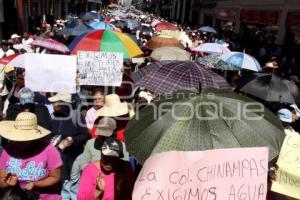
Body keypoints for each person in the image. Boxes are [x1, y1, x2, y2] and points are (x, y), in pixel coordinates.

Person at [0, 112, 62, 200]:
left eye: (24, 139)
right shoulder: (8, 150)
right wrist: (7, 182)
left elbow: (55, 177)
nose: (20, 142)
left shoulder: (49, 150)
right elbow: (1, 181)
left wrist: (35, 183)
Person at [48, 91, 90, 199]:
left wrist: (73, 140)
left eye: (56, 103)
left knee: (74, 181)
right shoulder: (53, 116)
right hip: (58, 156)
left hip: (74, 156)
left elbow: (85, 135)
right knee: (64, 181)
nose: (53, 105)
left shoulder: (76, 115)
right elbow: (49, 134)